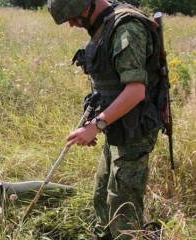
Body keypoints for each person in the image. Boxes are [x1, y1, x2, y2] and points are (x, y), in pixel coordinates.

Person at [47, 0, 163, 239]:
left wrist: (96, 126)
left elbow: (135, 91)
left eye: (75, 17)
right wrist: (92, 123)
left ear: (89, 5)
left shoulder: (126, 28)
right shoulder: (104, 26)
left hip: (134, 130)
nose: (71, 24)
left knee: (122, 205)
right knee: (101, 195)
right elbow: (108, 88)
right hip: (117, 125)